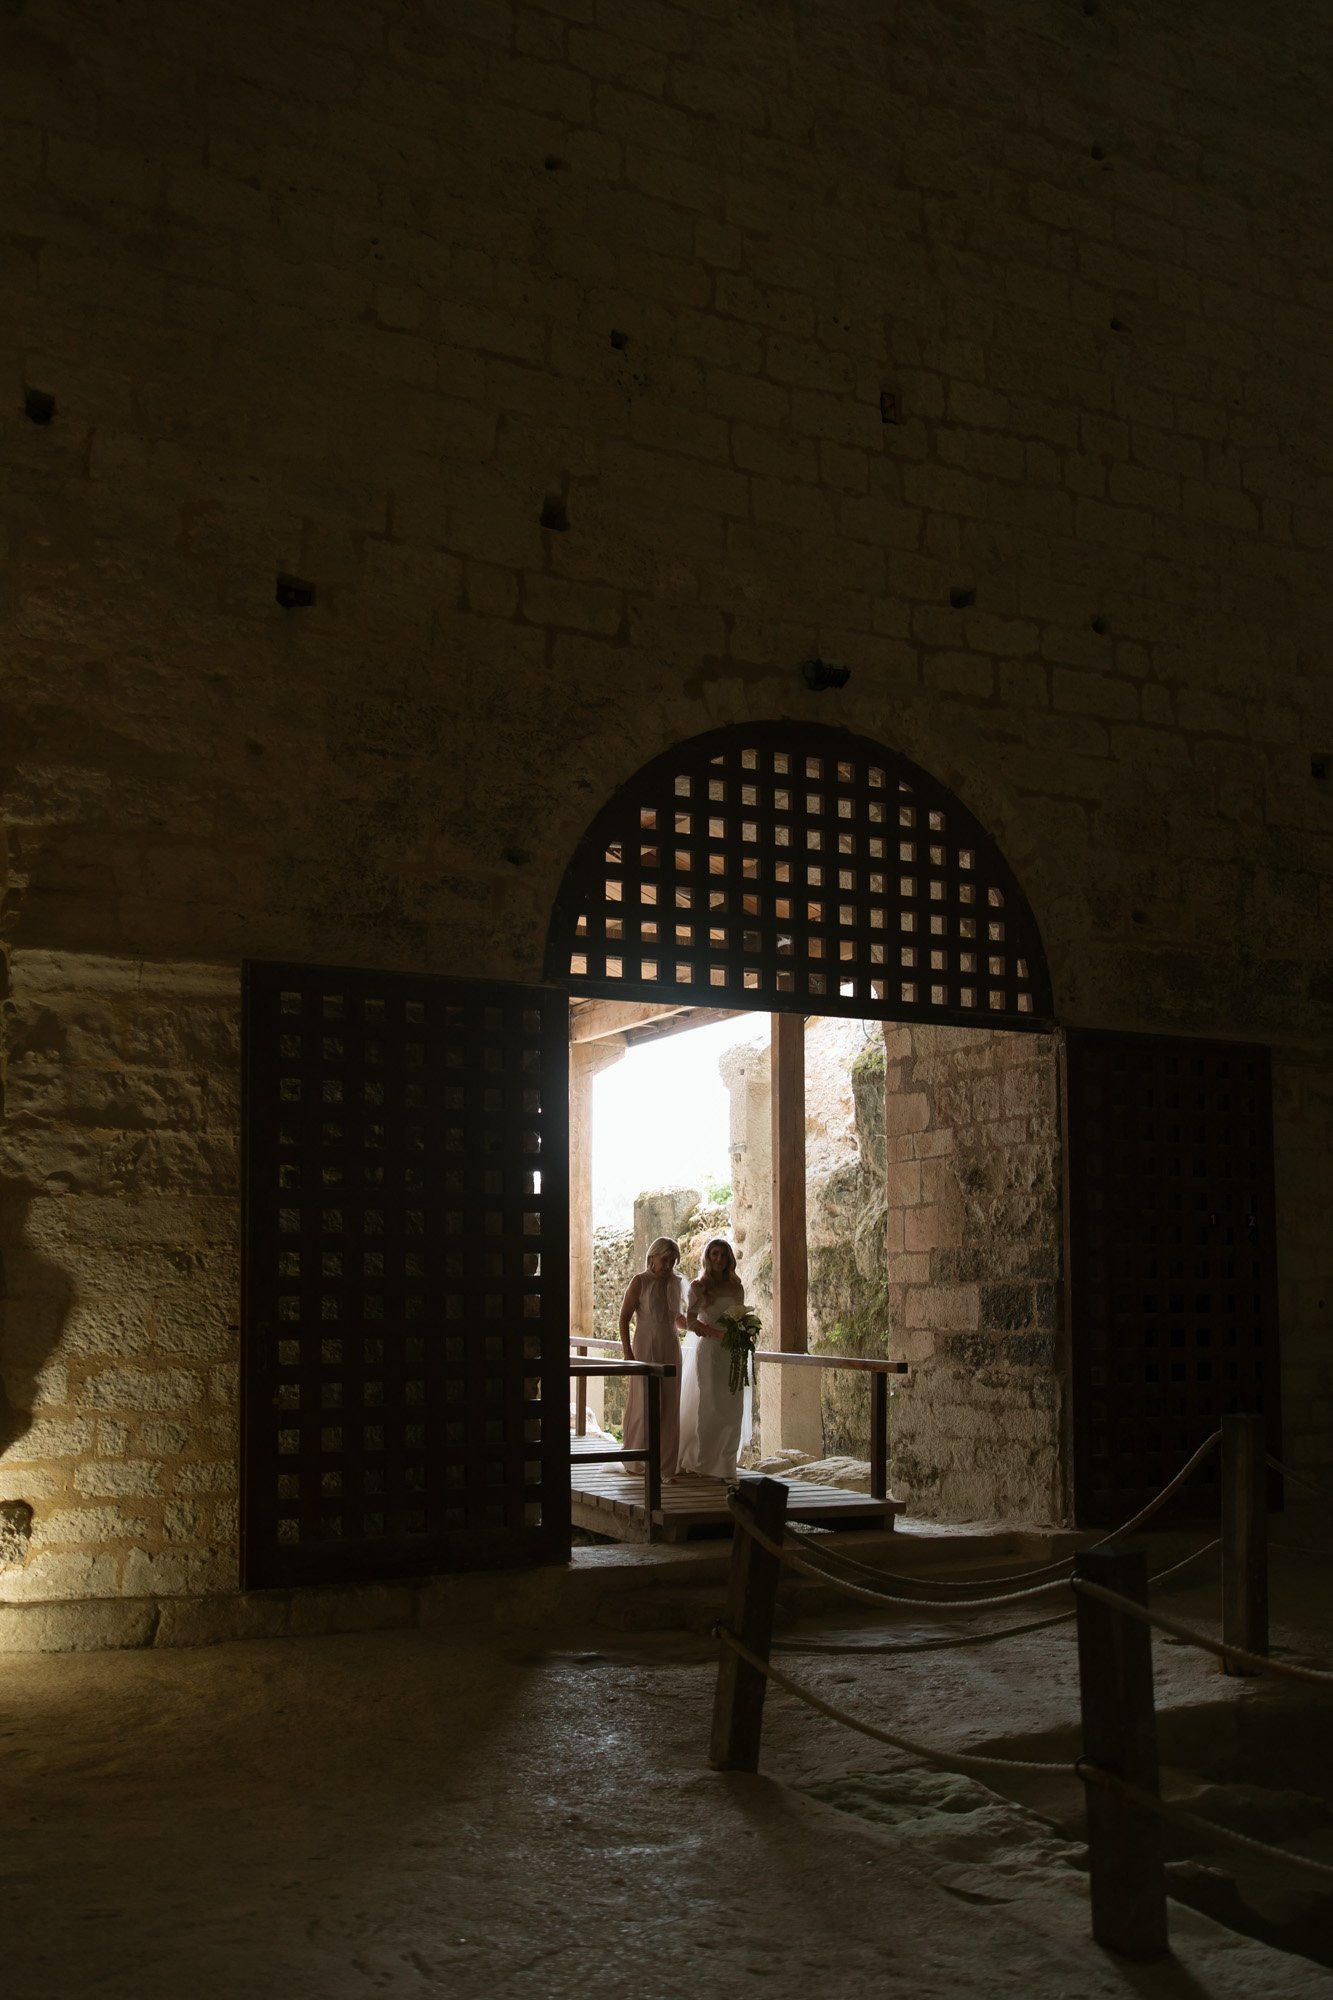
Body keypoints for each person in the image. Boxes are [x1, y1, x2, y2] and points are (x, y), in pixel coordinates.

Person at [678, 1237, 747, 1481]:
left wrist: (743, 1333)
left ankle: (726, 1464)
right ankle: (705, 1462)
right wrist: (715, 1333)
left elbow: (739, 1317)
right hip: (710, 1350)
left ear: (729, 1258)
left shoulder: (736, 1287)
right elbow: (690, 1321)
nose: (719, 1259)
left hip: (733, 1352)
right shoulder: (699, 1286)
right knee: (710, 1403)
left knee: (732, 1406)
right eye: (714, 1254)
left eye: (723, 1255)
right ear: (708, 1257)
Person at [618, 1236, 686, 1479]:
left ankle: (664, 1466)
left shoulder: (677, 1282)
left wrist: (700, 1327)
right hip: (646, 1343)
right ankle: (637, 1461)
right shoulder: (640, 1281)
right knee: (644, 1403)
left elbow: (677, 1317)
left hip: (670, 1343)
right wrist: (628, 1351)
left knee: (670, 1403)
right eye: (665, 1259)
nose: (669, 1265)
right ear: (652, 1258)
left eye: (673, 1260)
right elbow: (624, 1317)